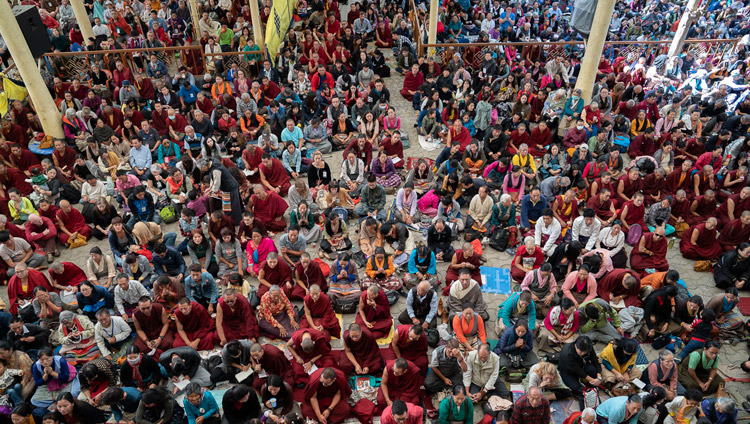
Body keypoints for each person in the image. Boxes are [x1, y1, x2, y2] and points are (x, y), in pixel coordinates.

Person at [302, 367, 374, 424]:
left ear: (334, 380)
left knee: (345, 409)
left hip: (332, 399)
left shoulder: (340, 378)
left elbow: (338, 394)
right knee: (305, 411)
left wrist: (329, 410)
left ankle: (324, 421)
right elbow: (313, 398)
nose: (323, 385)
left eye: (326, 384)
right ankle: (322, 419)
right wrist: (319, 415)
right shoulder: (315, 379)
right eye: (322, 382)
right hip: (317, 400)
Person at [30, 347, 76, 414]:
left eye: (47, 359)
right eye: (42, 360)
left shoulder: (60, 360)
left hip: (65, 381)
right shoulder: (36, 366)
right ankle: (56, 402)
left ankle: (57, 403)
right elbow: (38, 383)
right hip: (49, 384)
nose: (45, 362)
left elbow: (65, 377)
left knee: (74, 393)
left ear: (52, 356)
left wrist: (52, 373)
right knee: (34, 400)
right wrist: (45, 375)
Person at [132, 296, 173, 360]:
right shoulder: (135, 314)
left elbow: (166, 324)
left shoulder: (159, 308)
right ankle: (159, 352)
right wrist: (146, 341)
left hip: (159, 330)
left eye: (148, 308)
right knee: (139, 347)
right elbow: (139, 330)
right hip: (146, 333)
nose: (146, 310)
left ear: (151, 304)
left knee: (168, 342)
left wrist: (160, 339)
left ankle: (156, 354)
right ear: (139, 307)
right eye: (143, 308)